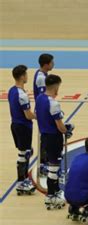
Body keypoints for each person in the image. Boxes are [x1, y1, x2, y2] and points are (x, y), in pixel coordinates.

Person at [35, 74, 74, 210]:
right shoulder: (53, 103)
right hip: (53, 137)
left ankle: (54, 192)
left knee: (53, 165)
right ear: (56, 86)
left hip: (45, 136)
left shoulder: (40, 98)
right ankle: (51, 195)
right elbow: (60, 125)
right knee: (54, 167)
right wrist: (67, 130)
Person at [8, 65, 36, 195]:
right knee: (23, 153)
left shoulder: (11, 90)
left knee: (25, 152)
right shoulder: (22, 95)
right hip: (23, 126)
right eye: (26, 74)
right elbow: (28, 115)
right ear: (22, 76)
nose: (27, 76)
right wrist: (40, 116)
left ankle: (23, 179)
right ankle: (21, 182)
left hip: (15, 124)